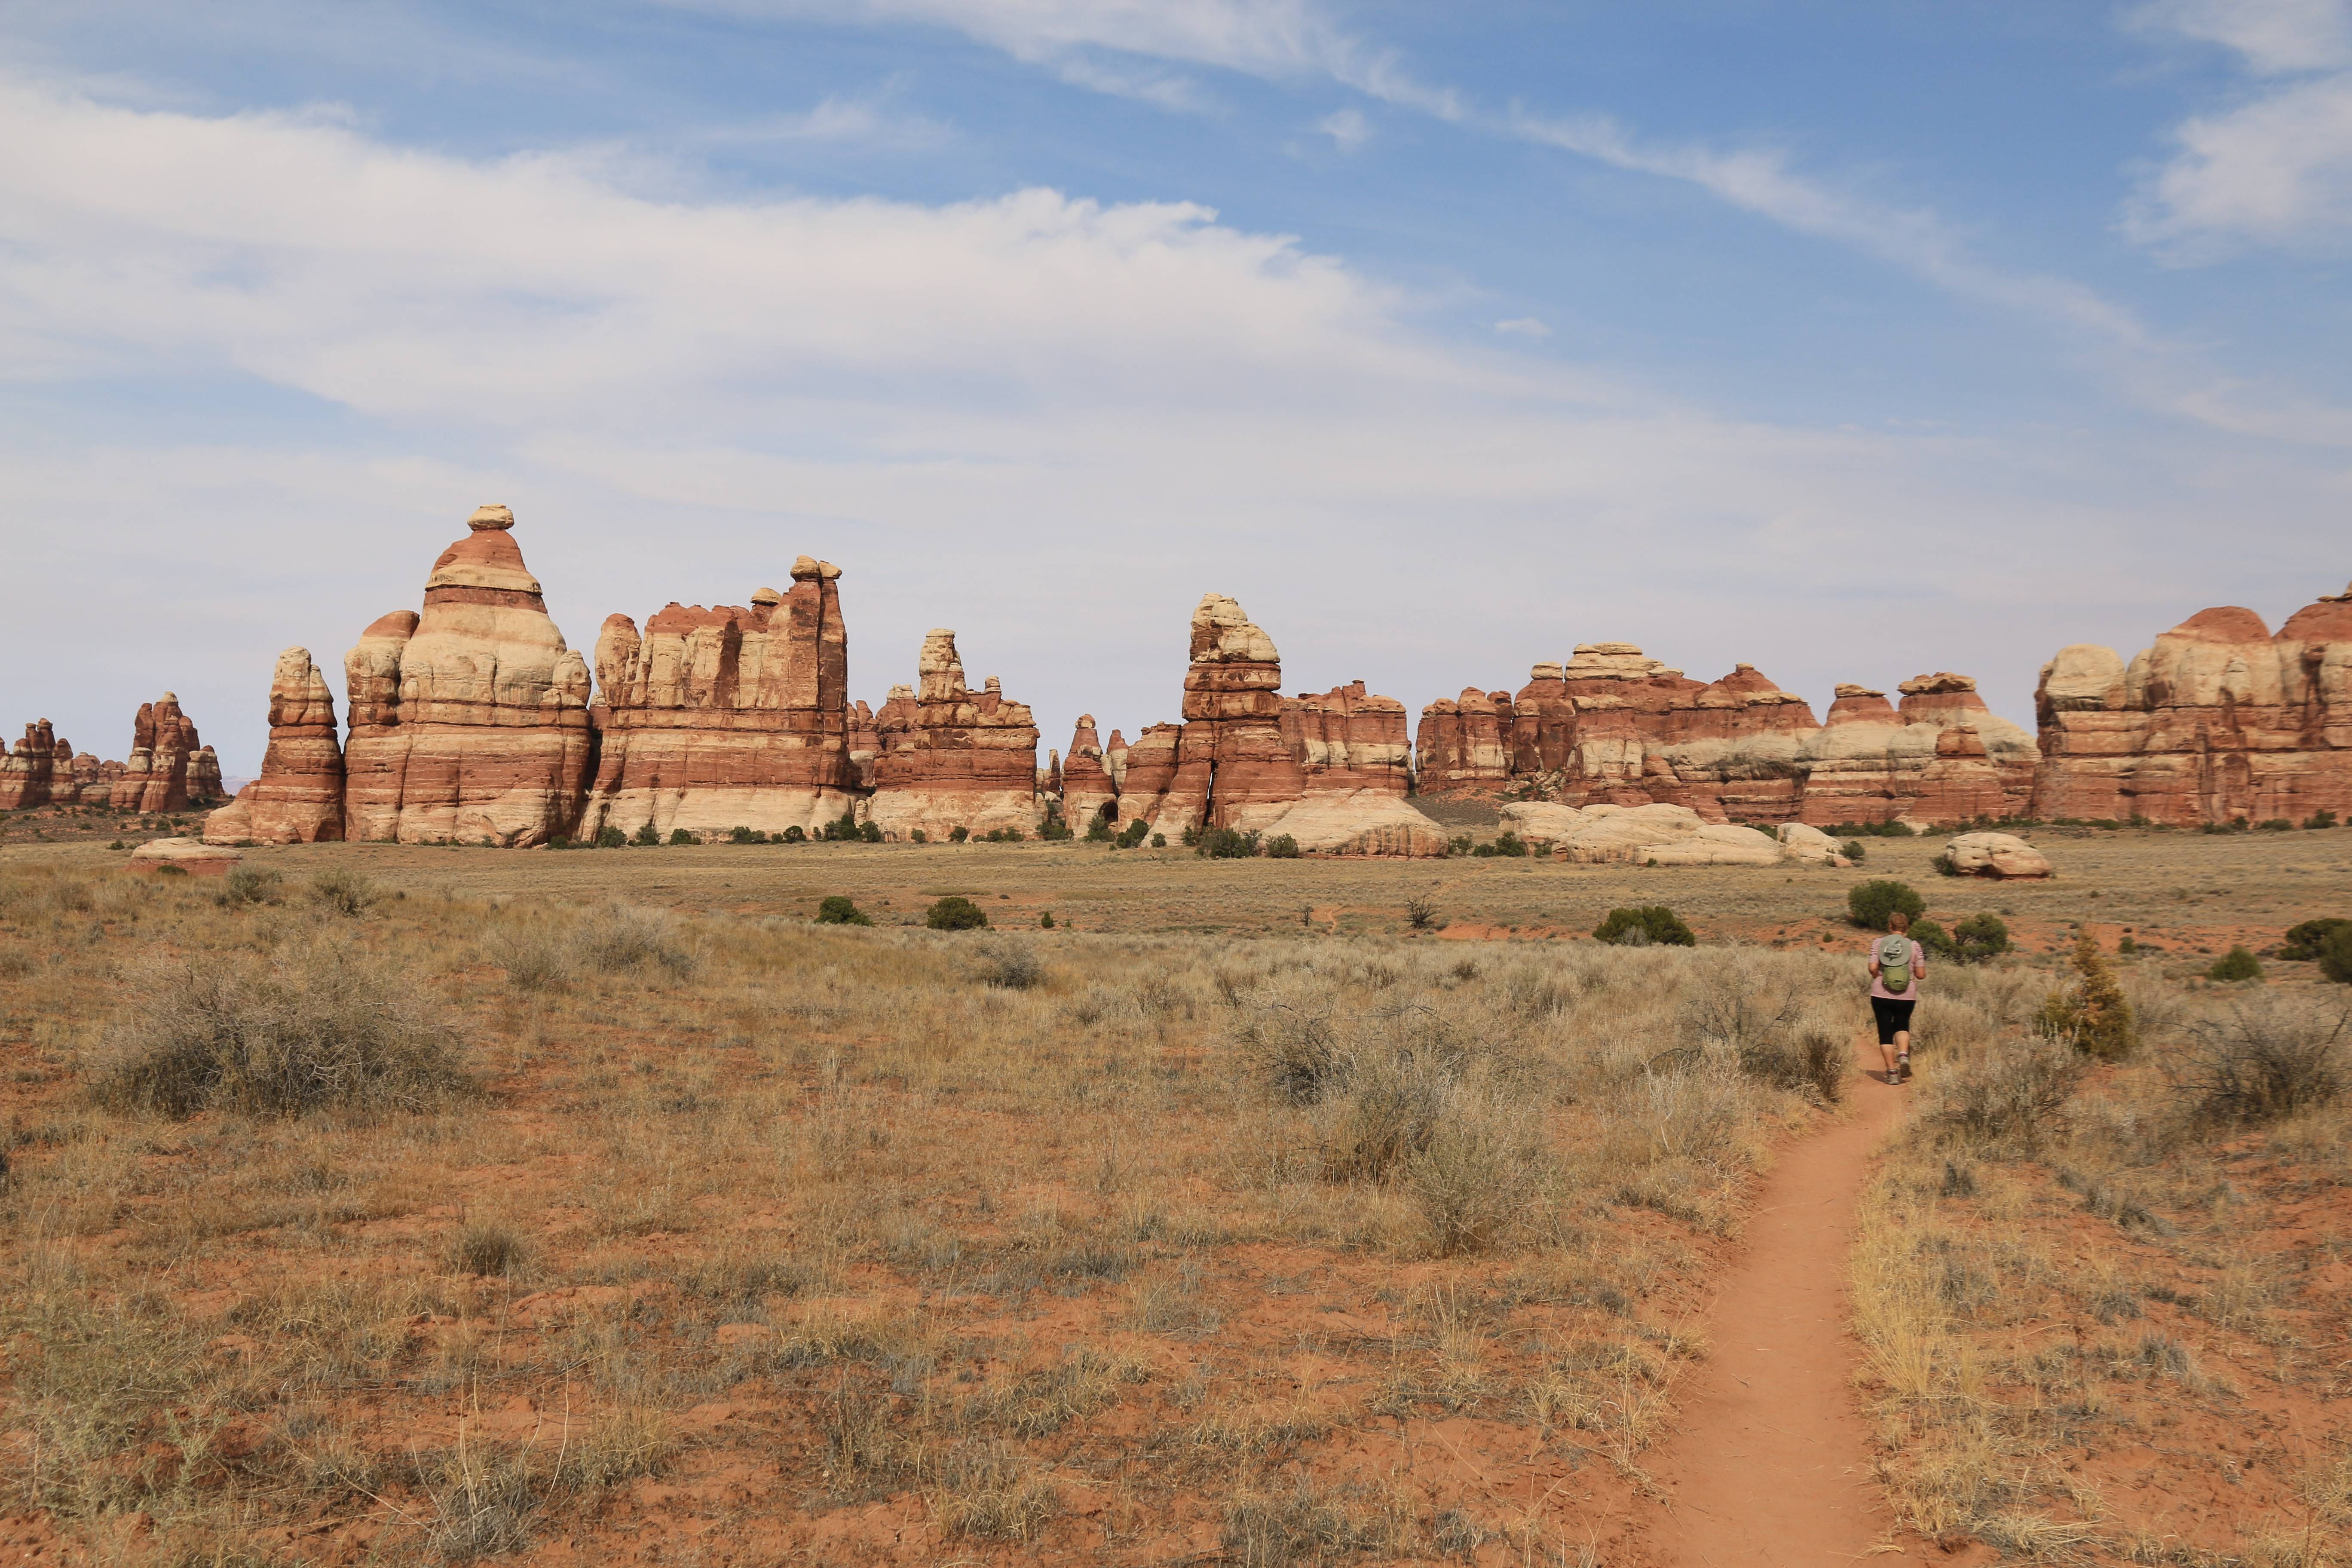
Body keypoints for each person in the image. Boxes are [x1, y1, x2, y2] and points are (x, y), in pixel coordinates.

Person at [1867, 911, 1926, 1084]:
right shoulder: (1915, 946)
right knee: (1902, 1025)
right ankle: (1903, 1055)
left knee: (1885, 1032)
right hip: (1907, 994)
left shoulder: (1879, 943)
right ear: (1907, 928)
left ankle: (1892, 1073)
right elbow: (1921, 975)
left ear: (1890, 926)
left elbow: (1872, 967)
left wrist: (1878, 975)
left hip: (1881, 993)